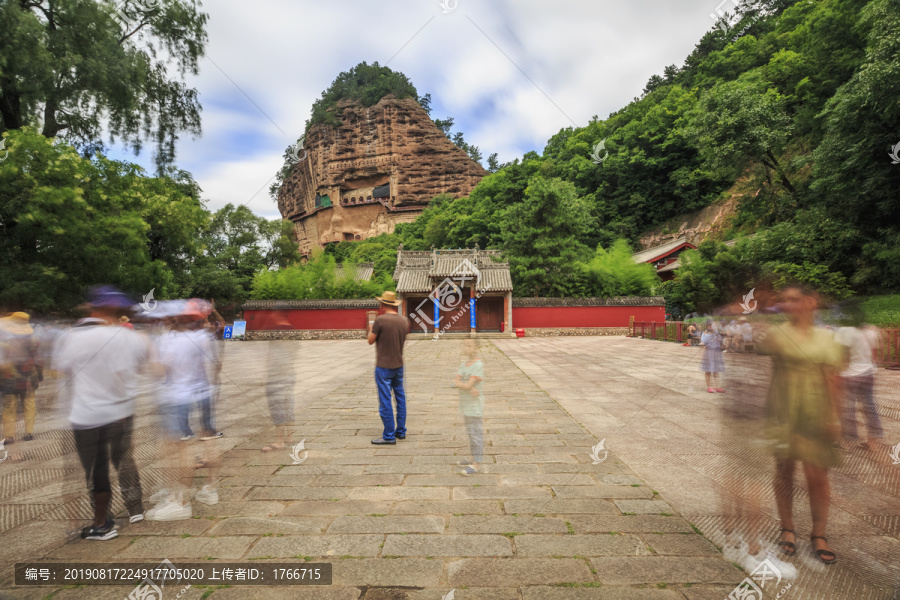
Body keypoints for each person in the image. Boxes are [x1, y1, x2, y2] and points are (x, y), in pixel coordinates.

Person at [53, 286, 151, 540]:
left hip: (86, 415)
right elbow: (138, 367)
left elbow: (62, 372)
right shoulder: (126, 336)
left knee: (96, 470)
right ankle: (135, 509)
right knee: (124, 459)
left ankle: (101, 522)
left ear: (92, 307)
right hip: (121, 413)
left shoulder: (71, 337)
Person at [758, 285, 843, 565]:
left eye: (794, 300)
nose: (788, 305)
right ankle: (787, 527)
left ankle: (819, 533)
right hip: (784, 409)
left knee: (817, 474)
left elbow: (832, 377)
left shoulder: (827, 336)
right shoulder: (777, 334)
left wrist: (833, 416)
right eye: (784, 301)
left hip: (816, 408)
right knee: (784, 470)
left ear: (811, 301)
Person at [367, 291, 409, 445]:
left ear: (383, 304)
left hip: (383, 366)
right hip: (399, 365)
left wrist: (371, 327)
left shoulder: (380, 320)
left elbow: (370, 340)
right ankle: (401, 431)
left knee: (385, 400)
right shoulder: (404, 321)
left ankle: (389, 435)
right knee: (400, 398)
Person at [835, 320, 883, 451]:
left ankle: (848, 443)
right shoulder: (870, 332)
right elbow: (875, 349)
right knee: (870, 407)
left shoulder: (845, 330)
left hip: (851, 374)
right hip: (868, 373)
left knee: (848, 409)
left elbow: (843, 355)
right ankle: (873, 443)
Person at [0, 312, 42, 444]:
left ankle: (9, 436)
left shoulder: (4, 338)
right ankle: (28, 432)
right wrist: (40, 373)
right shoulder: (33, 339)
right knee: (29, 403)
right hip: (28, 375)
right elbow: (37, 358)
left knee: (9, 406)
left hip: (9, 375)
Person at [454, 339, 485, 475]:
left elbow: (462, 384)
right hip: (465, 404)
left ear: (477, 347)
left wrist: (464, 385)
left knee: (476, 434)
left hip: (475, 406)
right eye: (465, 345)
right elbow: (456, 381)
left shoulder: (478, 365)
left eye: (470, 345)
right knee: (470, 433)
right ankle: (473, 457)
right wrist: (466, 386)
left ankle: (477, 464)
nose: (466, 348)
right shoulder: (463, 364)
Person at [700, 320, 725, 393]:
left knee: (716, 371)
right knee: (708, 371)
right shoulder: (705, 334)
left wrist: (722, 346)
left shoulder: (718, 335)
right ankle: (709, 386)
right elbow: (703, 342)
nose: (715, 327)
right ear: (709, 326)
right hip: (708, 354)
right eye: (714, 326)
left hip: (716, 354)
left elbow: (721, 343)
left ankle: (718, 386)